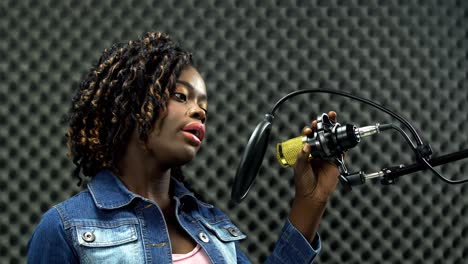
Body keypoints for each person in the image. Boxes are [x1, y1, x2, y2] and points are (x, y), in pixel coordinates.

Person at [27, 32, 339, 263]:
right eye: (181, 97)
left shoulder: (212, 226)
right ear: (132, 105)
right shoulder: (65, 228)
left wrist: (310, 203)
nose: (199, 111)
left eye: (204, 105)